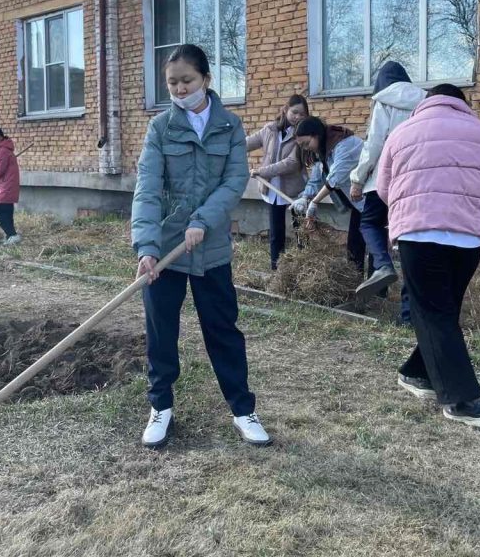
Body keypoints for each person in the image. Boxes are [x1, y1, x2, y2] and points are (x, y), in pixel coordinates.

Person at [132, 44, 271, 449]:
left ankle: (243, 410)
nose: (179, 89)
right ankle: (161, 406)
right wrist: (147, 246)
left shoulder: (230, 126)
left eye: (187, 81)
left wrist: (202, 221)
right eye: (172, 83)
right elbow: (147, 189)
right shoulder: (161, 128)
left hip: (211, 251)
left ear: (206, 79)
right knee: (161, 332)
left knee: (222, 329)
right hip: (167, 251)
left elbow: (234, 181)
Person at [376, 84, 480, 431]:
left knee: (437, 314)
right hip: (468, 238)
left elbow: (384, 187)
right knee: (441, 312)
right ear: (462, 103)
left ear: (426, 102)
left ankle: (423, 377)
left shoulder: (402, 131)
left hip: (417, 233)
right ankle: (460, 397)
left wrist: (406, 212)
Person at [350, 61, 426, 321]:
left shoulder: (383, 101)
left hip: (383, 178)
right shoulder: (425, 101)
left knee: (369, 223)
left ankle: (383, 265)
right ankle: (407, 316)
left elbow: (373, 144)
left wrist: (358, 178)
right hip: (414, 182)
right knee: (408, 245)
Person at [291, 117, 366, 271]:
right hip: (358, 204)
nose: (306, 148)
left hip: (372, 198)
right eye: (302, 146)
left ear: (316, 135)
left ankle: (377, 284)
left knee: (374, 244)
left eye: (306, 143)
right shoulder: (323, 151)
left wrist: (315, 202)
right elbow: (315, 179)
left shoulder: (345, 144)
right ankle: (356, 280)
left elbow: (335, 177)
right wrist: (305, 198)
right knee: (354, 245)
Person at [246, 94, 309, 270]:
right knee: (276, 233)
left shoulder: (302, 135)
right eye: (295, 112)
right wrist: (228, 148)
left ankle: (305, 267)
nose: (298, 117)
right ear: (285, 109)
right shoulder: (269, 130)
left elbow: (292, 163)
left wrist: (262, 171)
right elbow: (247, 143)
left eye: (302, 114)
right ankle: (277, 270)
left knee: (301, 232)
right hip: (272, 190)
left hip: (295, 190)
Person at [0, 126, 21, 246]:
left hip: (7, 185)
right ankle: (10, 236)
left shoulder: (3, 151)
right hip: (7, 184)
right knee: (7, 212)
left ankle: (13, 235)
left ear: (1, 137)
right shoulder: (3, 150)